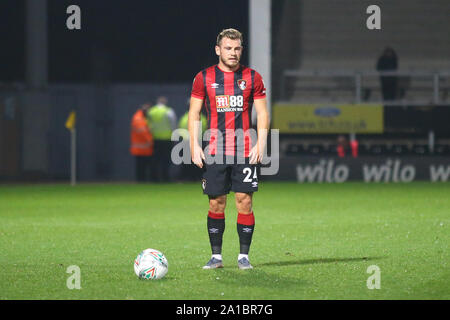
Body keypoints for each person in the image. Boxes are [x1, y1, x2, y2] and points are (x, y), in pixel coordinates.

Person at [188, 28, 269, 270]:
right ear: (218, 50)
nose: (232, 53)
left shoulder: (253, 77)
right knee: (216, 203)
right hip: (214, 150)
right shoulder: (203, 78)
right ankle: (216, 257)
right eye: (228, 48)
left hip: (245, 150)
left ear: (241, 50)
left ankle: (244, 257)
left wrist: (261, 143)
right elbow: (194, 113)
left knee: (244, 201)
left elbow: (263, 112)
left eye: (236, 49)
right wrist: (193, 144)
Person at [147, 96, 177, 182]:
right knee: (166, 159)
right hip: (167, 139)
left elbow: (149, 125)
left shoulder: (151, 111)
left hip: (155, 138)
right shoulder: (169, 111)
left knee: (155, 159)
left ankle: (154, 178)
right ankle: (165, 177)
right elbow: (173, 125)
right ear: (165, 102)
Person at [178, 105, 207, 181]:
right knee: (198, 161)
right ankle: (197, 177)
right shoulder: (202, 117)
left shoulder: (184, 117)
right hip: (198, 142)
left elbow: (180, 129)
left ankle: (186, 177)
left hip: (185, 142)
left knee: (186, 163)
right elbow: (205, 129)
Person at [130, 103, 154, 182]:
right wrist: (151, 141)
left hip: (144, 148)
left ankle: (142, 179)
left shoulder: (142, 117)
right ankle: (141, 180)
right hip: (141, 148)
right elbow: (144, 132)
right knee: (141, 166)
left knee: (143, 166)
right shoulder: (138, 118)